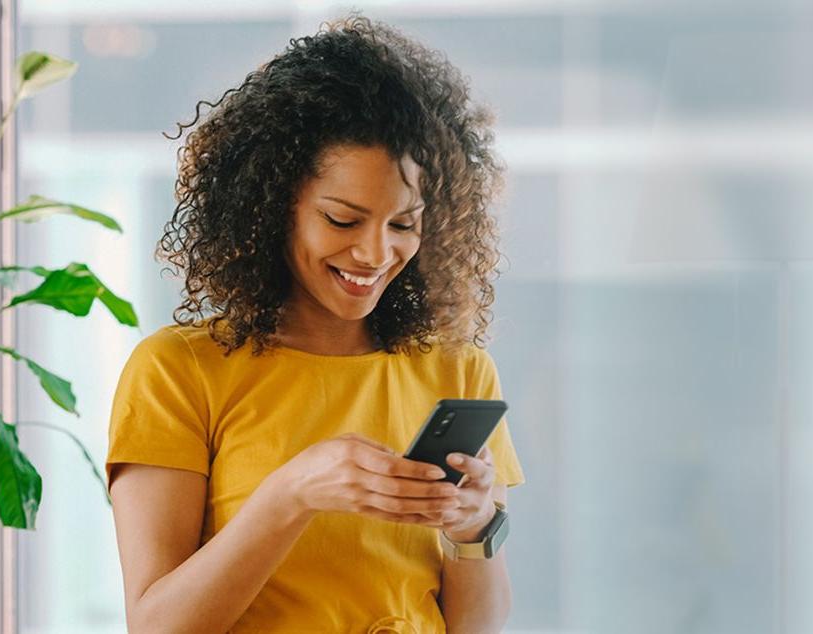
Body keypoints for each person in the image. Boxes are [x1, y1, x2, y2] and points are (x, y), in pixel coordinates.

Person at [105, 16, 523, 633]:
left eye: (403, 225)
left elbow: (476, 627)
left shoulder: (457, 370)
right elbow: (157, 626)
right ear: (273, 205)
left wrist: (471, 527)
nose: (376, 254)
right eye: (343, 219)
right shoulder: (178, 370)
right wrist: (293, 491)